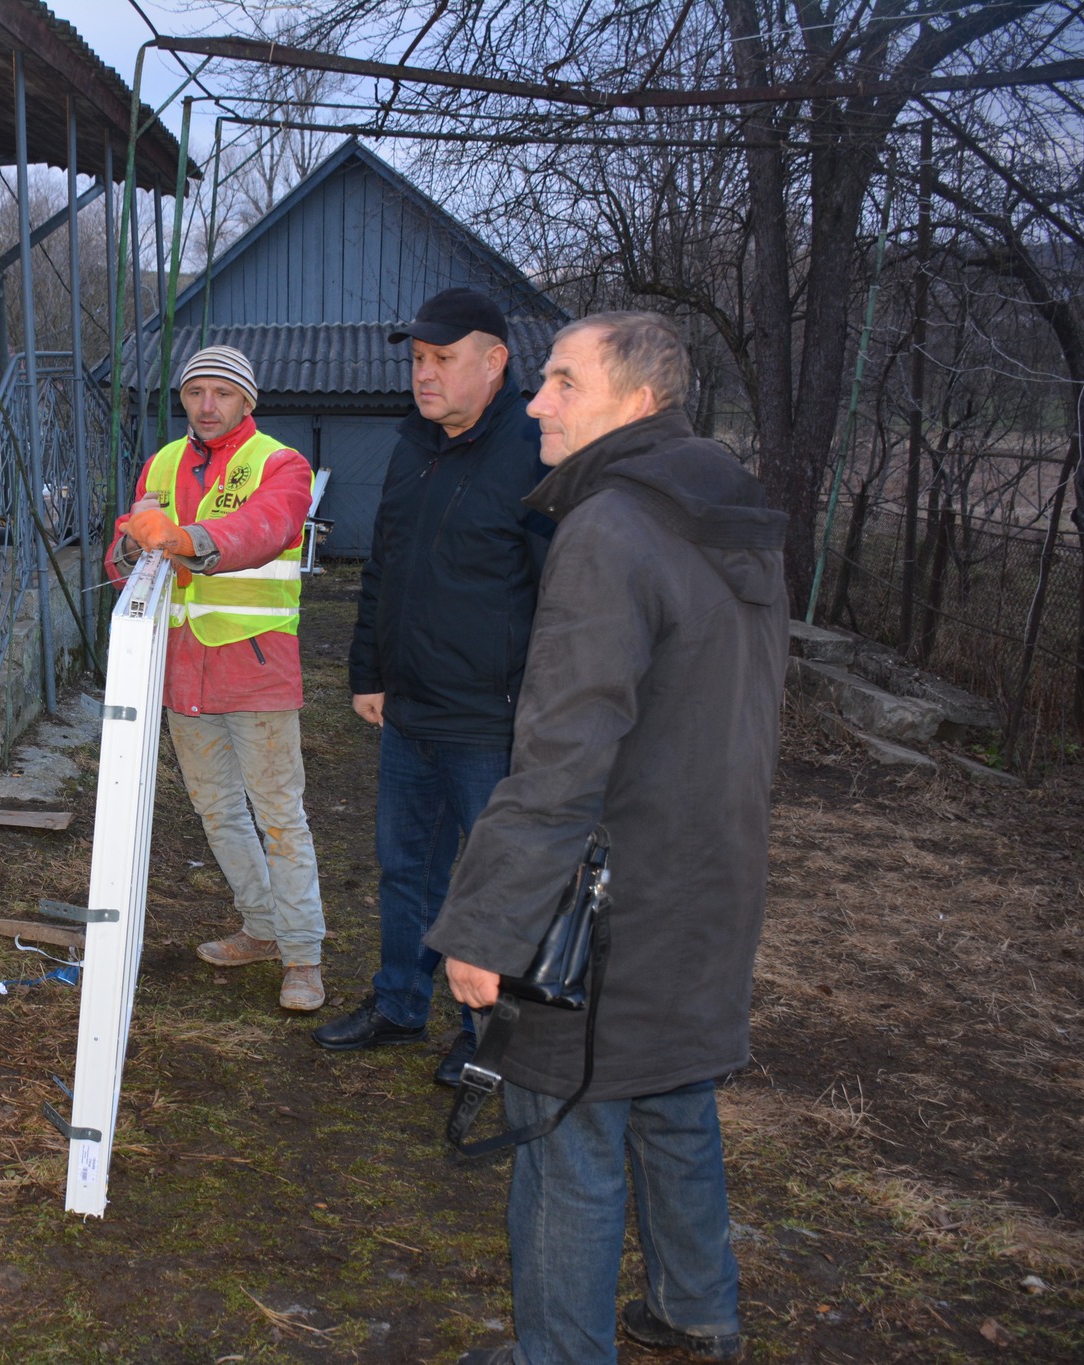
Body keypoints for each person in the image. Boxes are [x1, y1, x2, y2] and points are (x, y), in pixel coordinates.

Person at [435, 312, 788, 1365]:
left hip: (607, 898)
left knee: (564, 1130)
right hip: (710, 876)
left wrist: (487, 926)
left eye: (559, 382)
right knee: (671, 1093)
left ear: (636, 401)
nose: (535, 402)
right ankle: (694, 1313)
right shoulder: (725, 513)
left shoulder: (608, 529)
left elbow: (559, 760)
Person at [314, 288, 552, 1084]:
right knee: (404, 866)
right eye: (417, 359)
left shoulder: (536, 449)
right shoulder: (413, 445)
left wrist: (539, 710)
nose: (424, 375)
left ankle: (485, 1032)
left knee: (491, 881)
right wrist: (369, 674)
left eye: (443, 359)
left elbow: (560, 594)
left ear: (495, 362)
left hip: (492, 719)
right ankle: (399, 1002)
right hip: (410, 710)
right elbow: (383, 566)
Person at [106, 345, 326, 1011]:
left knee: (280, 816)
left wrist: (182, 539)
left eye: (221, 393)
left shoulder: (281, 463)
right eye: (196, 391)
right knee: (218, 811)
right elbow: (129, 559)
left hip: (255, 669)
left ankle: (303, 954)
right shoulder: (164, 462)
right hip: (183, 669)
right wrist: (130, 544)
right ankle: (262, 928)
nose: (207, 405)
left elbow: (264, 528)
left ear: (246, 401)